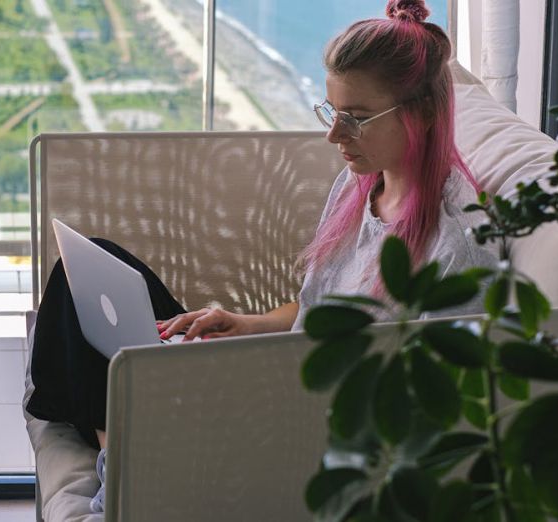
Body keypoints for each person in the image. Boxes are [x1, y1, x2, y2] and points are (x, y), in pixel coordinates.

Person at [25, 0, 497, 512]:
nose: (334, 135)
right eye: (332, 112)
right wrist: (244, 326)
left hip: (302, 433)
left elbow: (435, 416)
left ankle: (122, 458)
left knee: (93, 368)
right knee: (85, 277)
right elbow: (315, 310)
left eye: (356, 119)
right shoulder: (360, 183)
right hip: (274, 388)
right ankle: (119, 443)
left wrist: (255, 400)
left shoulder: (456, 250)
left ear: (423, 114)